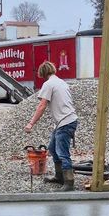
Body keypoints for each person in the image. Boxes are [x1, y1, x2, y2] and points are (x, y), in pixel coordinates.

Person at [24, 61, 77, 191]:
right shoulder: (61, 82)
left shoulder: (48, 84)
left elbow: (42, 105)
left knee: (63, 153)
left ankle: (69, 182)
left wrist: (31, 123)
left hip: (65, 122)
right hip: (66, 121)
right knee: (52, 148)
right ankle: (59, 176)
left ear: (43, 73)